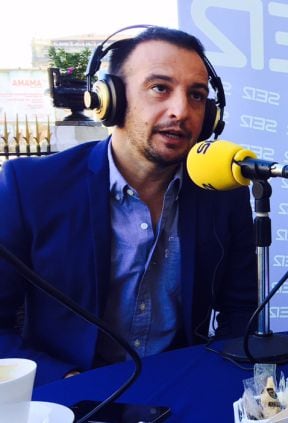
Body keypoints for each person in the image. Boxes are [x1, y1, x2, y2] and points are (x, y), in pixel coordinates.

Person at [0, 27, 258, 385]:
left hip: (182, 385)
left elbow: (240, 310)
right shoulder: (30, 187)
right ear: (108, 99)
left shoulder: (223, 190)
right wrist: (68, 380)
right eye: (159, 88)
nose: (181, 110)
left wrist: (212, 376)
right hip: (71, 393)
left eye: (197, 95)